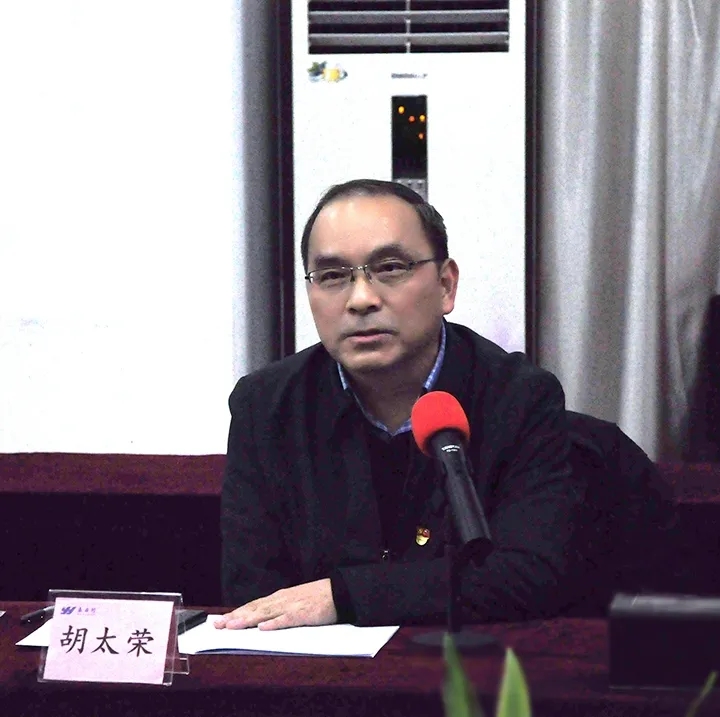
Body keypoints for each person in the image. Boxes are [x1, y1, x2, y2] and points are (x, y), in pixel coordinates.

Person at [215, 179, 584, 630]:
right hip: (320, 669)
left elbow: (531, 574)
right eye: (332, 276)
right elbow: (254, 595)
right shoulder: (266, 407)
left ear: (446, 286)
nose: (361, 300)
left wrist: (344, 596)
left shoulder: (517, 397)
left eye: (390, 268)